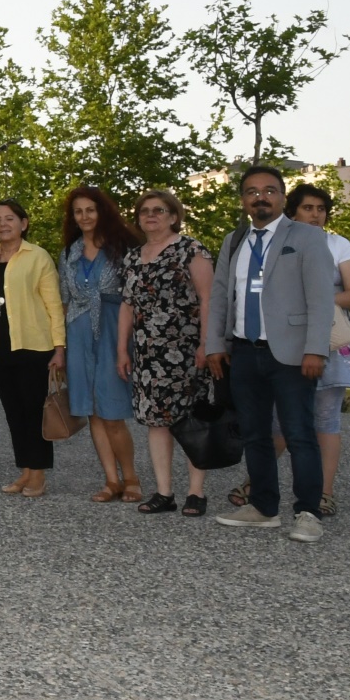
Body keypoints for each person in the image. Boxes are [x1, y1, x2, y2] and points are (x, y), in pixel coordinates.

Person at [207, 166, 336, 542]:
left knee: (299, 433)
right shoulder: (234, 241)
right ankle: (263, 507)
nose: (260, 197)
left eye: (269, 190)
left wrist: (315, 349)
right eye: (251, 191)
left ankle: (308, 512)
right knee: (254, 433)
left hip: (293, 354)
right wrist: (215, 344)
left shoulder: (308, 237)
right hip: (244, 352)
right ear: (244, 200)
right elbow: (218, 297)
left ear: (282, 197)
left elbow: (321, 298)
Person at [267, 184, 350, 516]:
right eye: (308, 208)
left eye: (321, 208)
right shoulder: (276, 242)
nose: (315, 214)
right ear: (293, 210)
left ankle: (324, 493)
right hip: (286, 338)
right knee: (280, 416)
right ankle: (259, 484)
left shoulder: (338, 244)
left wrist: (312, 304)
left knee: (326, 417)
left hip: (329, 337)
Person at [117, 190, 214, 516]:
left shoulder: (191, 250)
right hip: (147, 354)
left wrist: (206, 343)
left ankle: (196, 493)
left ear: (174, 216)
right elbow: (127, 307)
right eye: (145, 211)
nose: (151, 215)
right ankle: (164, 492)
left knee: (190, 420)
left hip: (186, 350)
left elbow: (207, 298)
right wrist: (122, 349)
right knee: (155, 422)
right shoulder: (132, 258)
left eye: (159, 210)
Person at [0, 199, 65, 497]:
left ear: (23, 223)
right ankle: (25, 471)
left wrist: (59, 347)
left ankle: (38, 475)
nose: (3, 224)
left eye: (9, 218)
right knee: (13, 413)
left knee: (34, 413)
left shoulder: (38, 257)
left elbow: (53, 305)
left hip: (33, 346)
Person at [59, 186, 139, 503]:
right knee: (91, 411)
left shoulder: (124, 246)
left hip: (113, 328)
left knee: (112, 412)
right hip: (78, 331)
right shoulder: (69, 252)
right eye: (78, 211)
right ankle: (110, 480)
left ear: (102, 210)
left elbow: (135, 295)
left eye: (90, 210)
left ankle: (131, 478)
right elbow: (64, 300)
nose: (84, 216)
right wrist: (60, 348)